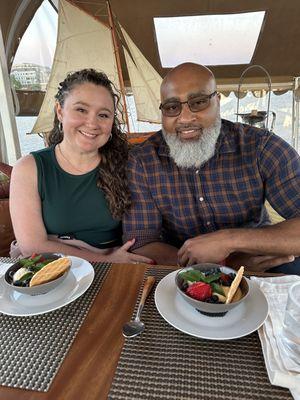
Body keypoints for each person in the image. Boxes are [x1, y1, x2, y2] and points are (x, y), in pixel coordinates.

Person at [123, 62, 300, 273]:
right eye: (172, 107)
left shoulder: (261, 147)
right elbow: (142, 243)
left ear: (217, 100)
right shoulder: (143, 161)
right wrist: (223, 266)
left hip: (257, 261)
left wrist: (229, 240)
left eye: (198, 102)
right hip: (183, 270)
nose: (186, 118)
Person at [10, 68, 153, 264]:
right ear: (60, 111)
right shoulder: (29, 168)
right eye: (81, 110)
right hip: (53, 270)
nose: (92, 123)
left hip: (117, 267)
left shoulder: (127, 164)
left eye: (103, 115)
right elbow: (32, 246)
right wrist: (106, 260)